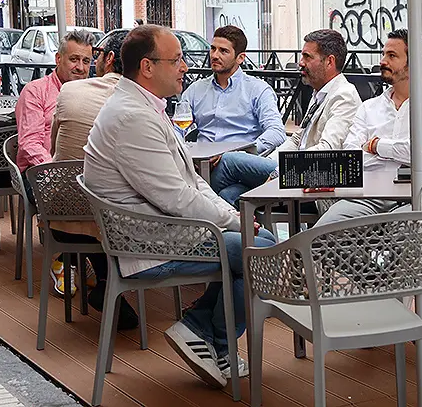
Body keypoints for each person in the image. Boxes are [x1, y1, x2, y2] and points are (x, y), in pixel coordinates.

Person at [83, 25, 277, 388]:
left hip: (156, 229)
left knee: (259, 241)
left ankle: (201, 329)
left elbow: (190, 181)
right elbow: (178, 197)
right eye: (177, 60)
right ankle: (211, 337)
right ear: (147, 67)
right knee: (259, 251)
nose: (186, 66)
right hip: (146, 243)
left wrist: (232, 218)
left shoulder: (142, 106)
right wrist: (235, 221)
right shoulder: (132, 116)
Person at [314, 29, 422, 227]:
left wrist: (375, 146)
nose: (383, 61)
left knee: (405, 235)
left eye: (392, 56)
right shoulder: (369, 107)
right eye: (383, 54)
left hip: (417, 198)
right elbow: (350, 157)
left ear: (414, 65)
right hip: (366, 198)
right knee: (320, 236)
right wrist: (411, 146)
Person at [209, 29, 362, 206]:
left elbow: (327, 149)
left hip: (318, 180)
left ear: (329, 61)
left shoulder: (344, 96)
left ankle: (205, 225)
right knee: (230, 194)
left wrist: (281, 169)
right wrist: (270, 163)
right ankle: (246, 232)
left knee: (229, 160)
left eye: (307, 57)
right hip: (296, 171)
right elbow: (298, 139)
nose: (300, 63)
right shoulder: (320, 92)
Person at [49, 29, 137, 329]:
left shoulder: (69, 91)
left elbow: (52, 149)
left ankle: (104, 283)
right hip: (116, 222)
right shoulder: (141, 104)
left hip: (61, 219)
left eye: (93, 57)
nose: (88, 64)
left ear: (109, 59)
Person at [16, 29, 93, 298]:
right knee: (72, 197)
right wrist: (57, 172)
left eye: (86, 61)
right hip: (38, 171)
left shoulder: (92, 93)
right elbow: (29, 143)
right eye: (74, 59)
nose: (80, 67)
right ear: (58, 59)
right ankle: (67, 260)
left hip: (84, 172)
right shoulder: (36, 91)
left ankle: (94, 262)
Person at [180, 25, 286, 157]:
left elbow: (276, 132)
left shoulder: (257, 89)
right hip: (200, 161)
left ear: (240, 58)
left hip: (239, 162)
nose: (215, 55)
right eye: (213, 49)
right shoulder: (195, 90)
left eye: (223, 51)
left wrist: (243, 152)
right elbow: (177, 128)